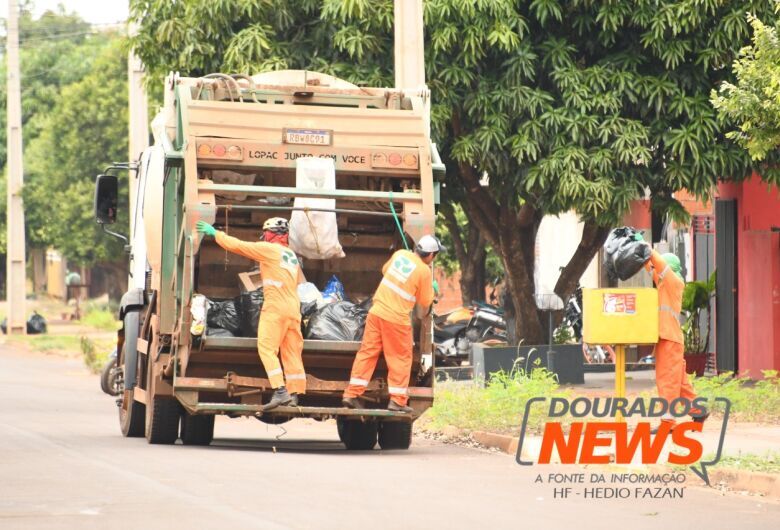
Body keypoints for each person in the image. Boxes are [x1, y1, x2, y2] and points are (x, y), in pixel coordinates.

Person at [196, 217, 305, 410]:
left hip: (276, 306)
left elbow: (240, 246)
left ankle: (280, 391)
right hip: (293, 308)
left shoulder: (269, 250)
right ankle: (294, 393)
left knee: (266, 348)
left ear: (271, 234)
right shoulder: (291, 255)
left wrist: (215, 234)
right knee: (291, 352)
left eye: (265, 232)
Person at [342, 235, 443, 413]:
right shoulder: (424, 271)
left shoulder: (400, 254)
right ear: (431, 255)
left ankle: (352, 394)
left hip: (376, 313)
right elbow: (425, 301)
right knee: (400, 359)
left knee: (367, 353)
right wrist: (433, 290)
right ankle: (397, 401)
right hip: (396, 320)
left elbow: (384, 270)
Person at [638, 236, 709, 430]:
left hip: (670, 339)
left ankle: (667, 422)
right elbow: (653, 269)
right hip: (668, 339)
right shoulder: (664, 285)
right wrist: (644, 256)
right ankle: (698, 410)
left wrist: (648, 247)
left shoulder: (674, 282)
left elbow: (660, 266)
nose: (657, 272)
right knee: (678, 380)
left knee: (667, 380)